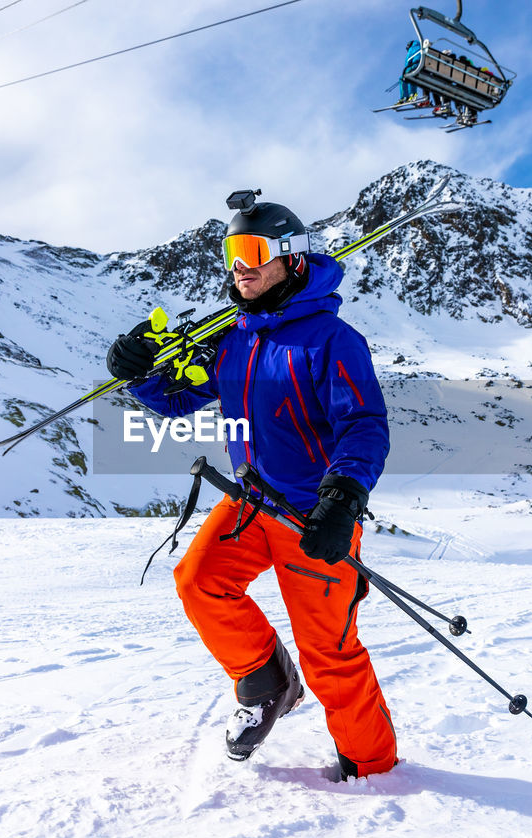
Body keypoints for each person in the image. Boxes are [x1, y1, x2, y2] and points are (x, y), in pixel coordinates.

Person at [105, 193, 397, 780]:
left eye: (253, 251)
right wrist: (136, 373)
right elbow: (181, 398)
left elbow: (363, 424)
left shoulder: (332, 341)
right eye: (232, 251)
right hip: (249, 501)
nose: (240, 264)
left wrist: (342, 499)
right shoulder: (235, 338)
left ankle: (377, 770)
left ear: (290, 259)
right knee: (199, 580)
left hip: (310, 517)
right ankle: (267, 682)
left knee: (330, 654)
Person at [397, 39, 424, 104]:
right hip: (424, 69)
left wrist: (405, 71)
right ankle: (412, 95)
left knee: (403, 78)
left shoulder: (411, 50)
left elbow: (407, 63)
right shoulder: (421, 48)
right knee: (411, 75)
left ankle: (405, 97)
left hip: (415, 66)